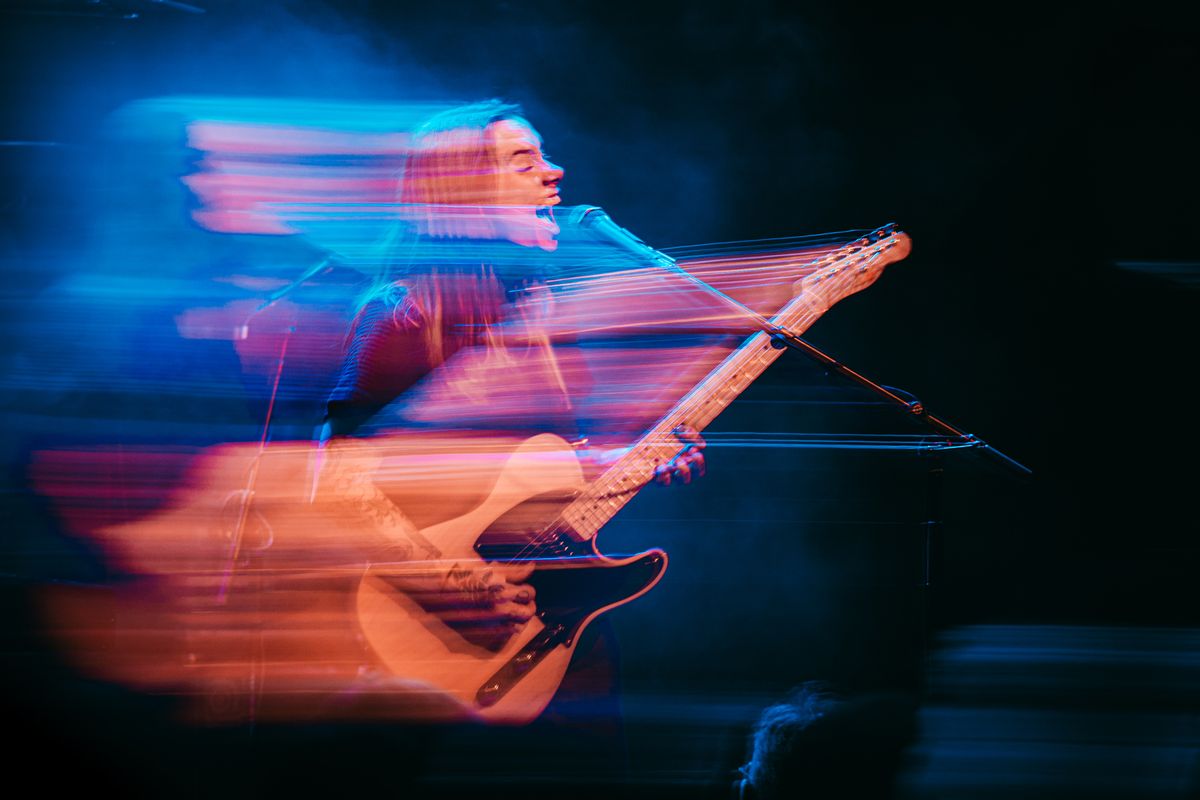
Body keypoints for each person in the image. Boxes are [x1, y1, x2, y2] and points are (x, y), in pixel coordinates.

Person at [317, 99, 707, 646]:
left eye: (544, 157)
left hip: (557, 622)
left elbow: (532, 482)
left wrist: (629, 463)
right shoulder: (406, 316)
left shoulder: (540, 309)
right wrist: (448, 588)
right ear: (461, 194)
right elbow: (337, 486)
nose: (554, 172)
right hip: (442, 629)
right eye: (523, 162)